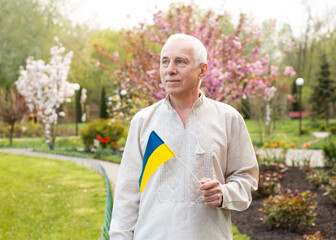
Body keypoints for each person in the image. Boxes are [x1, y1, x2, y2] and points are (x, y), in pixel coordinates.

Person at [109, 33, 259, 240]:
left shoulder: (228, 118)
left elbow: (246, 178)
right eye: (165, 62)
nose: (170, 69)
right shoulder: (143, 121)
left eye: (180, 61)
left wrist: (224, 193)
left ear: (202, 70)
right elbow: (127, 193)